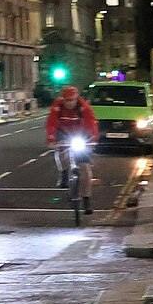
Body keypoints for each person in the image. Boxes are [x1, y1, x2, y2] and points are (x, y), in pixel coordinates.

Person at [44, 84, 100, 213]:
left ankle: (87, 199)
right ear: (63, 99)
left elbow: (91, 124)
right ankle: (63, 172)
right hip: (62, 132)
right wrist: (51, 139)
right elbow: (51, 123)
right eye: (67, 100)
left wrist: (93, 139)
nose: (69, 103)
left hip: (79, 134)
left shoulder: (84, 107)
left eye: (72, 100)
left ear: (76, 99)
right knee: (60, 152)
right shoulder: (57, 107)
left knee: (85, 169)